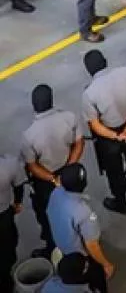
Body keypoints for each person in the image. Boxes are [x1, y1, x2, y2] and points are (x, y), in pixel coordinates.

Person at [21, 84, 84, 259]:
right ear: (51, 100)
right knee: (74, 207)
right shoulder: (69, 118)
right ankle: (79, 240)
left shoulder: (28, 135)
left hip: (46, 180)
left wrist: (53, 179)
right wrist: (69, 168)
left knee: (47, 215)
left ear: (33, 105)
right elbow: (79, 143)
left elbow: (32, 165)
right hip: (69, 172)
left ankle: (52, 247)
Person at [81, 50, 126, 214]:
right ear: (105, 61)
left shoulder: (89, 93)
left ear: (88, 70)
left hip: (109, 136)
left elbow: (95, 125)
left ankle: (121, 203)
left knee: (114, 170)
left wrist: (117, 136)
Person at [47, 164, 114, 291]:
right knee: (97, 276)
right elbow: (92, 245)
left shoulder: (55, 193)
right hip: (78, 256)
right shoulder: (84, 212)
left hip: (61, 246)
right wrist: (106, 264)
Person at [0, 151, 24, 293]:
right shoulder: (9, 163)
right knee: (7, 245)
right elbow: (18, 186)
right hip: (4, 214)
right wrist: (17, 203)